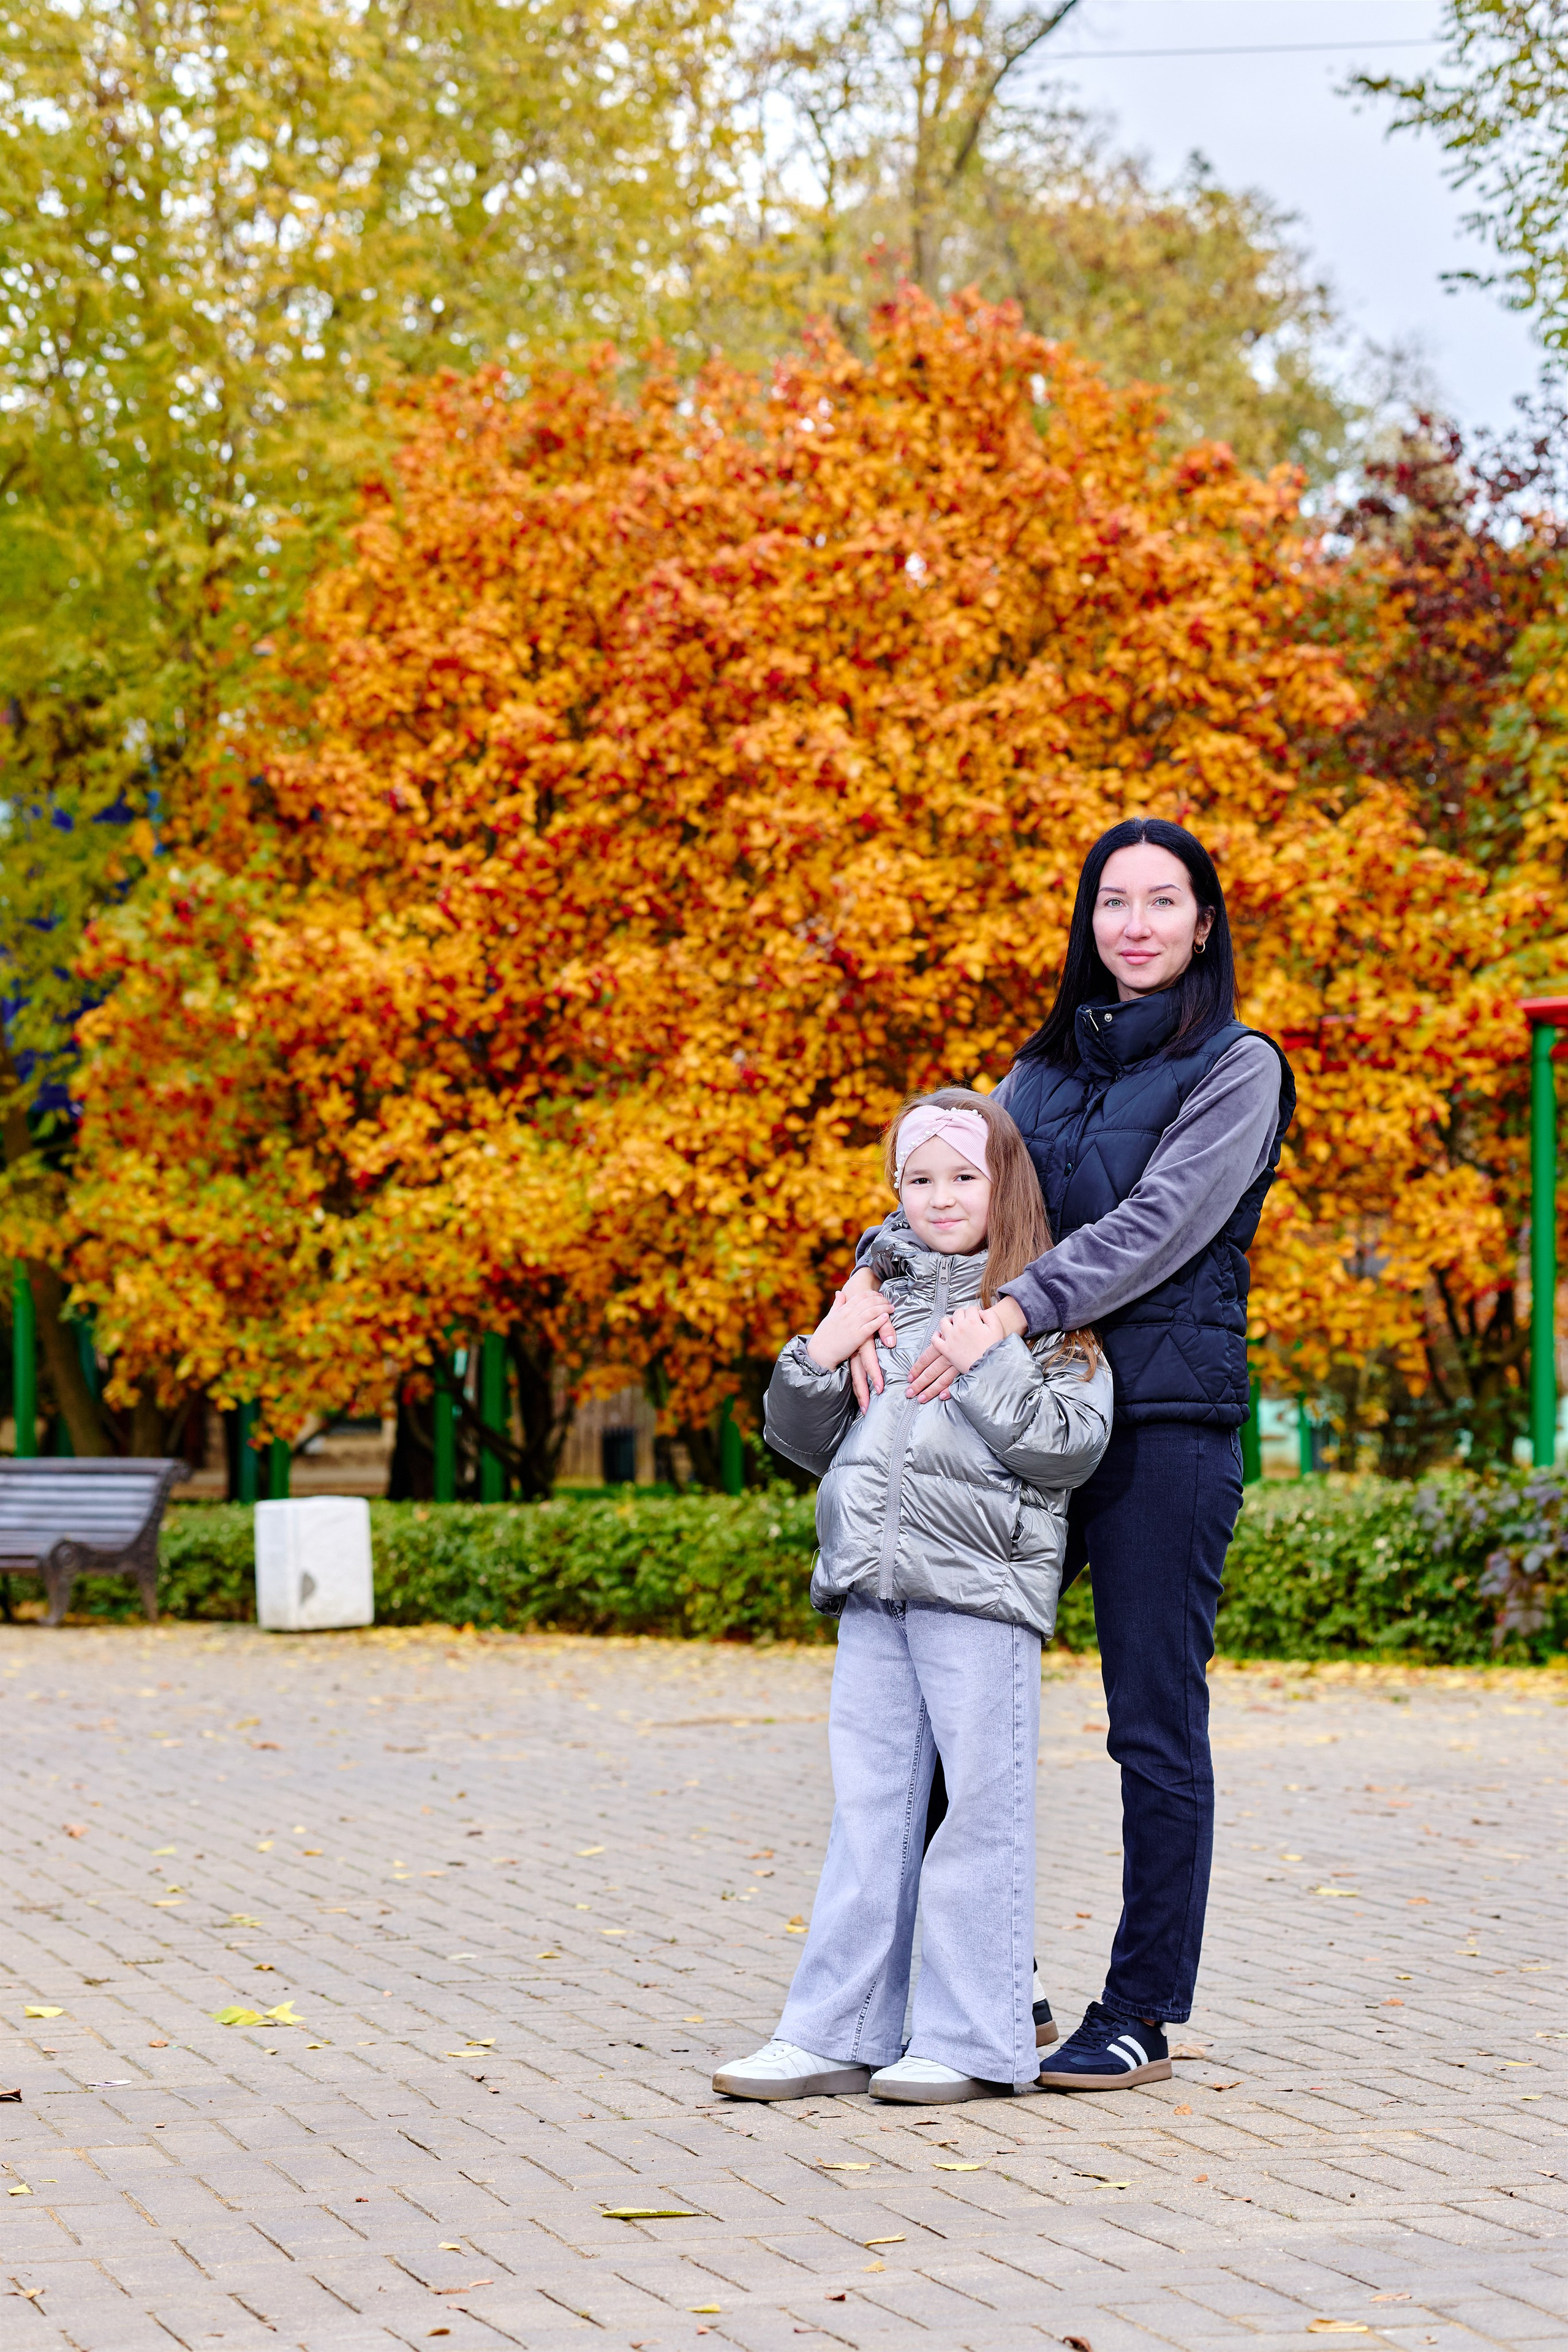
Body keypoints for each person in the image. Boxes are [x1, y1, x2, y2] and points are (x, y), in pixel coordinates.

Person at [845, 818, 1294, 2091]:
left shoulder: (1239, 1068)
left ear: (1203, 924)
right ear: (1087, 922)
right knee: (954, 1712)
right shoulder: (1032, 1078)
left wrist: (1010, 1308)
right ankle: (991, 1985)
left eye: (1163, 901)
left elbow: (1161, 1223)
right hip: (1021, 1426)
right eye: (1113, 902)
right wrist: (865, 1283)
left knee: (1151, 1727)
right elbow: (944, 1186)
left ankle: (1140, 2008)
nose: (1135, 925)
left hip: (1161, 1429)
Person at [712, 1089, 1112, 2106]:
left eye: (964, 1176)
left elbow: (1069, 1448)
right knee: (868, 1817)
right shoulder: (875, 1301)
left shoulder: (1040, 1311)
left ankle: (976, 2040)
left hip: (979, 1593)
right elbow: (803, 1441)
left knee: (979, 1816)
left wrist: (989, 1360)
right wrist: (823, 1348)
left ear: (1003, 1184)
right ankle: (833, 2032)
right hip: (871, 1590)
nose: (941, 1197)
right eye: (919, 1178)